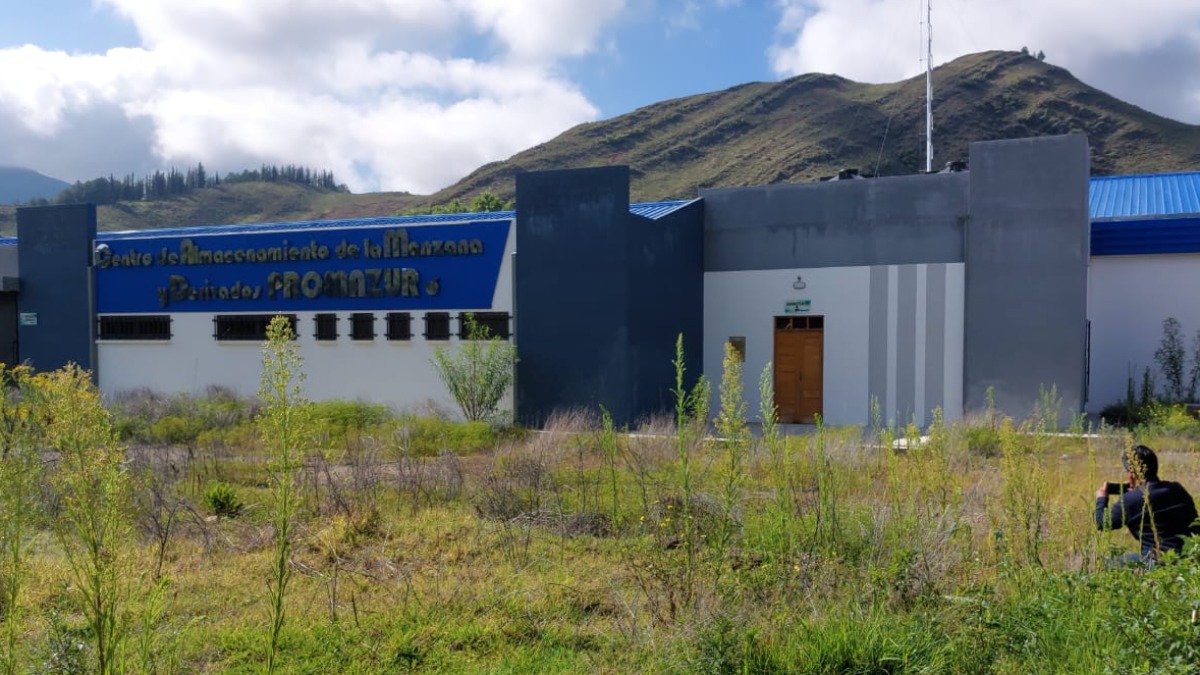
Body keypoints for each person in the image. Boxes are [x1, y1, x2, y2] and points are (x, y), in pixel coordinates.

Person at [1094, 444, 1200, 565]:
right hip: (1192, 556)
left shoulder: (1131, 500)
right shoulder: (1177, 488)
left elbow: (1101, 523)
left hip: (1158, 562)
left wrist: (1102, 499)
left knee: (1105, 564)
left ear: (1131, 473)